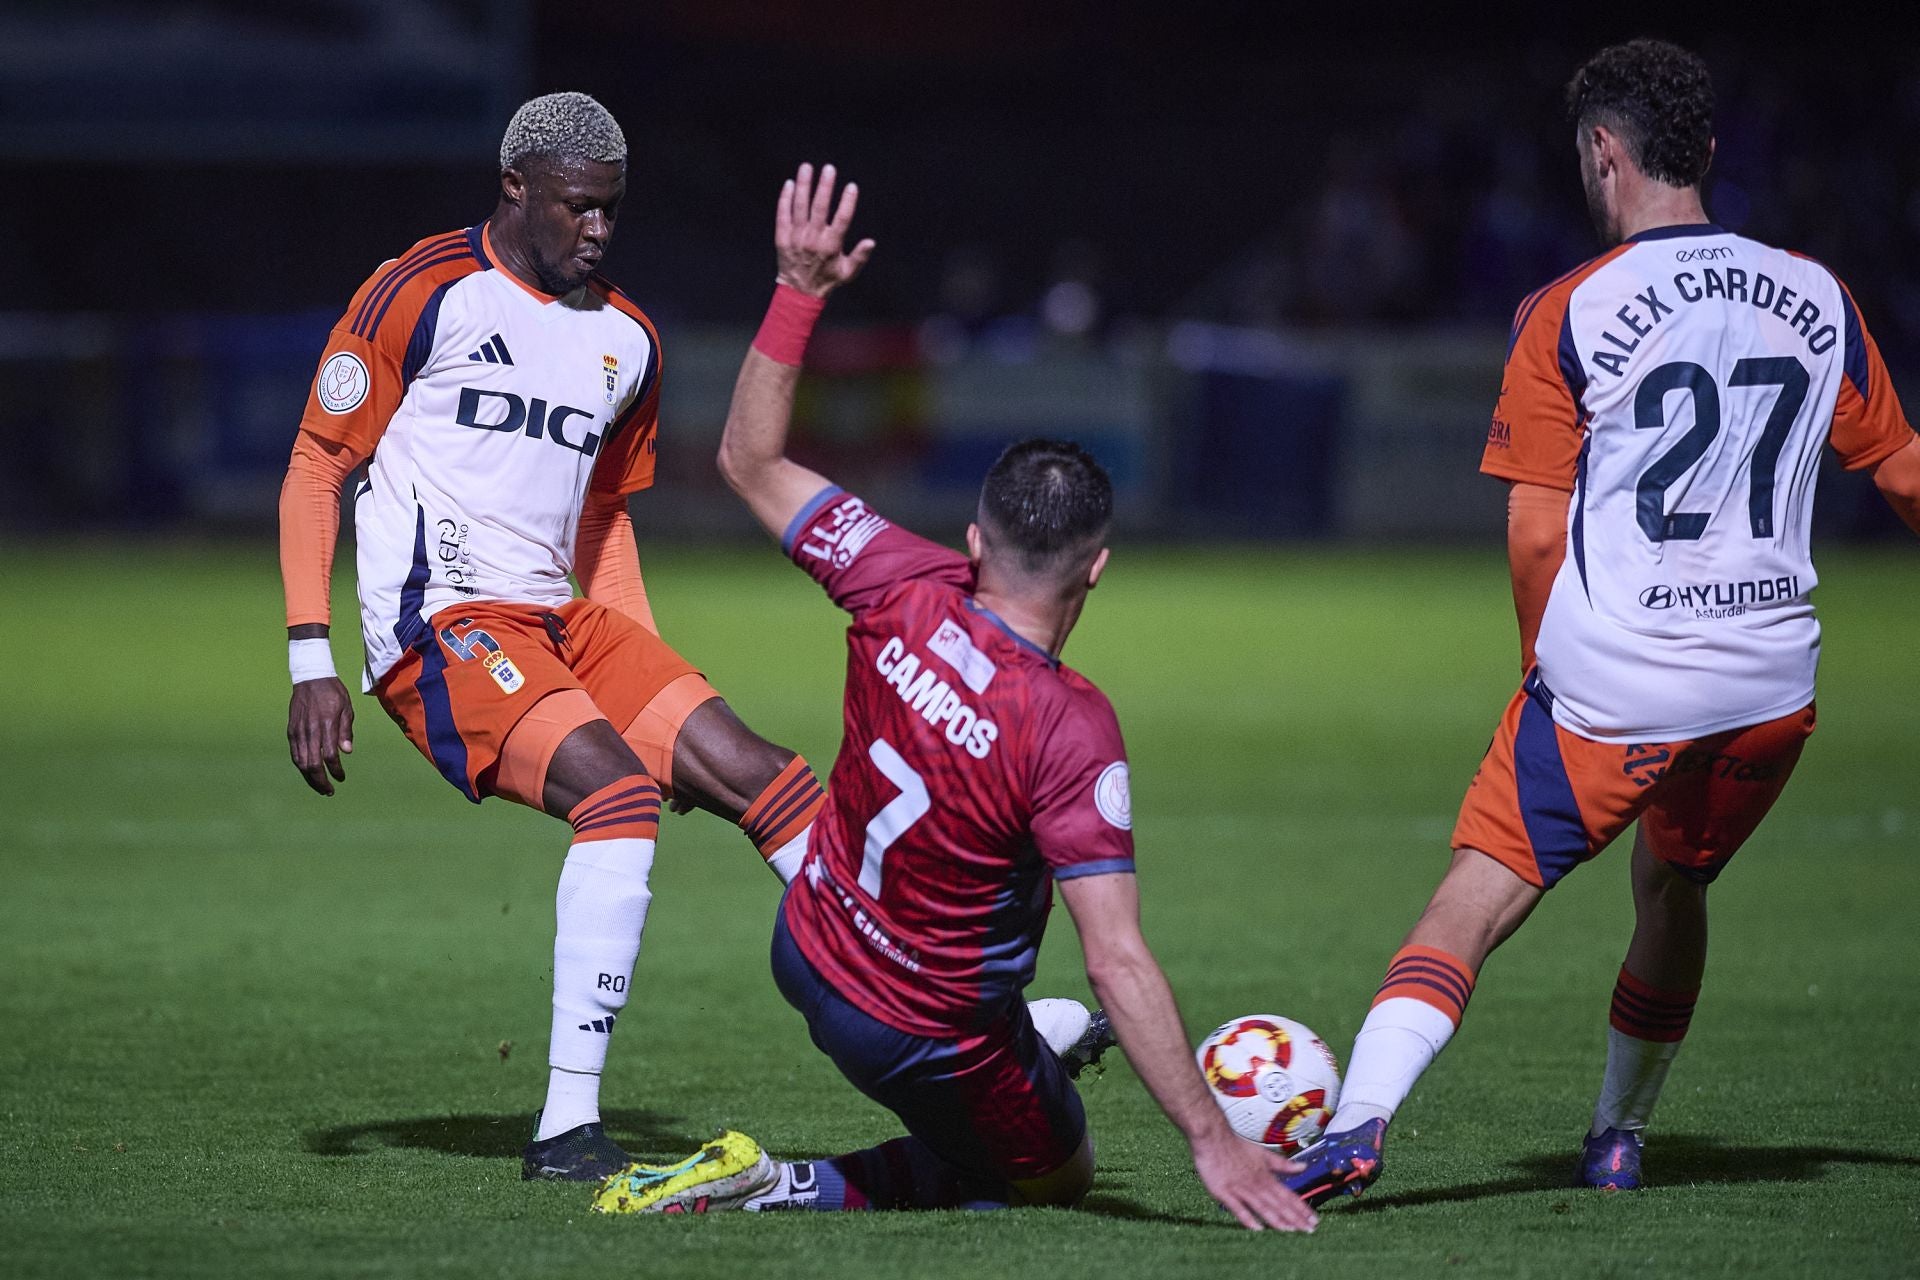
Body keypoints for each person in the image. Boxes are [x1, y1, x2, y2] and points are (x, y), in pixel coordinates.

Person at [589, 164, 1319, 1231]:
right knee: (1055, 1176)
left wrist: (799, 285)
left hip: (807, 943)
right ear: (1097, 570)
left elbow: (748, 460)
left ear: (976, 541)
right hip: (913, 1026)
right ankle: (775, 1181)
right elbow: (1116, 952)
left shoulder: (897, 571)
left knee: (1002, 1021)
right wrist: (1214, 1139)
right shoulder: (1072, 726)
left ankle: (1027, 1045)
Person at [1284, 39, 1920, 1206]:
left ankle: (1356, 1124)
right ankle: (1619, 1133)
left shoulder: (1570, 307)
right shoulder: (1819, 294)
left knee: (1472, 899)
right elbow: (1905, 474)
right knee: (1673, 886)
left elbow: (1535, 533)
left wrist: (1548, 674)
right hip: (1772, 686)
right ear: (1710, 155)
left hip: (1613, 686)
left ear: (1602, 151)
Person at [277, 92, 837, 1182]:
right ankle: (565, 1126)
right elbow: (316, 465)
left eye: (612, 212)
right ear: (516, 190)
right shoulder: (421, 291)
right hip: (440, 626)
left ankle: (960, 1022)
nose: (597, 230)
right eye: (579, 208)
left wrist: (648, 678)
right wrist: (310, 655)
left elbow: (604, 519)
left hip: (564, 619)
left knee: (772, 780)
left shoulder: (626, 339)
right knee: (618, 795)